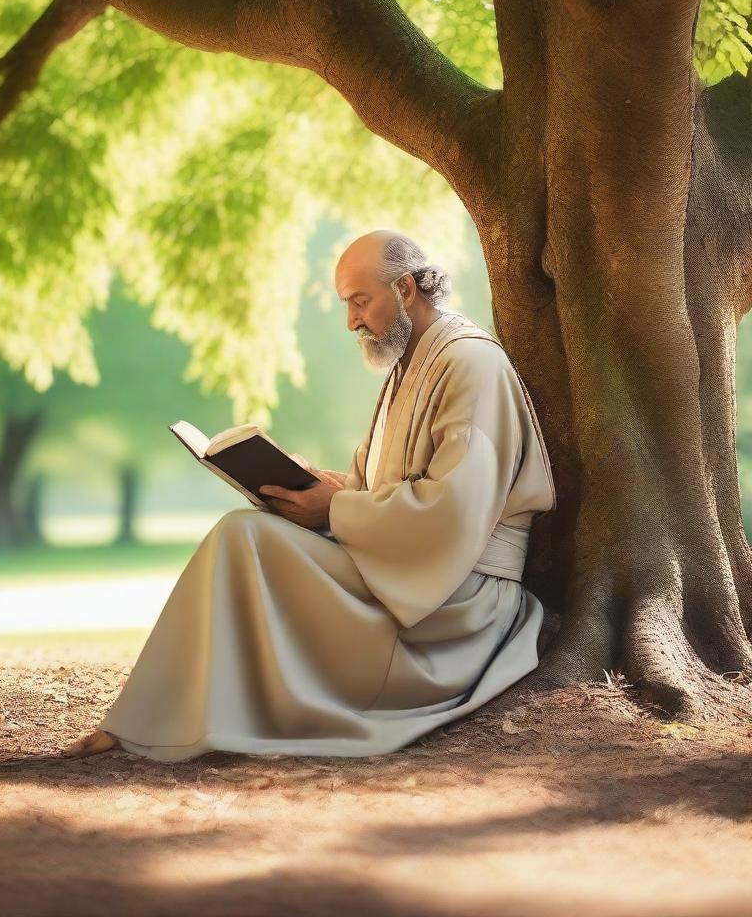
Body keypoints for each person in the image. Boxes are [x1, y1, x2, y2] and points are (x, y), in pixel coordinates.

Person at [64, 228, 556, 761]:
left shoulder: (470, 363)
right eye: (347, 305)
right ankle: (160, 716)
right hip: (410, 576)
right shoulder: (409, 368)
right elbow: (379, 489)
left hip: (457, 606)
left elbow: (453, 513)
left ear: (406, 289)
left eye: (359, 301)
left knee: (242, 537)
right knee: (247, 536)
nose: (351, 322)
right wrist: (320, 487)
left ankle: (154, 720)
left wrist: (335, 507)